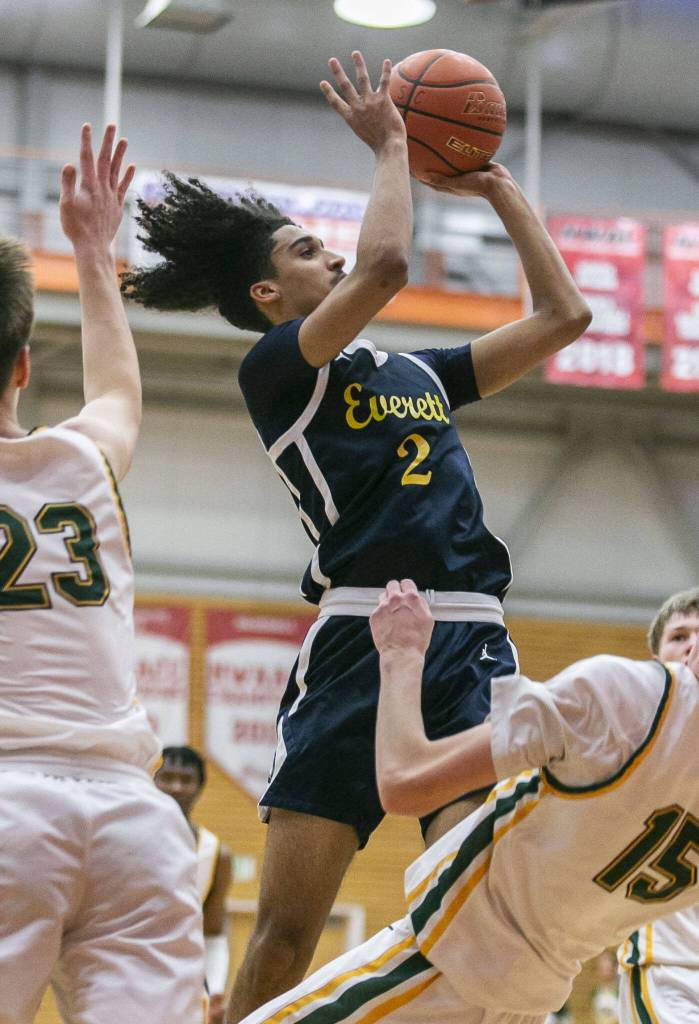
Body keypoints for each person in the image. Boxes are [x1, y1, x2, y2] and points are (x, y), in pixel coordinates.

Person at [121, 51, 591, 1019]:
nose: (327, 254)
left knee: (480, 918)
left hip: (467, 644)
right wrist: (388, 145)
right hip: (358, 646)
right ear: (267, 295)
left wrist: (499, 186)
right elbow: (385, 263)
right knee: (286, 937)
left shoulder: (420, 373)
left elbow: (562, 316)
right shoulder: (278, 377)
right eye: (302, 251)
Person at [237, 578, 699, 1024]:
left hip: (449, 958)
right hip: (533, 996)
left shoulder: (628, 696)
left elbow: (403, 782)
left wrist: (402, 654)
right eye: (680, 632)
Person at [0, 124, 204, 1023]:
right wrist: (93, 248)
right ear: (21, 365)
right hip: (135, 822)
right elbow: (118, 388)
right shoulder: (83, 459)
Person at [617, 588, 699, 1024]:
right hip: (669, 969)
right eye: (680, 636)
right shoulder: (633, 723)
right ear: (656, 659)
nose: (693, 646)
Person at [156, 745, 234, 1024]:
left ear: (200, 788)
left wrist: (215, 989)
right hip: (126, 970)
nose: (176, 786)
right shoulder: (121, 839)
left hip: (182, 978)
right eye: (167, 777)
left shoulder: (216, 853)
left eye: (186, 779)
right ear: (151, 782)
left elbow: (213, 934)